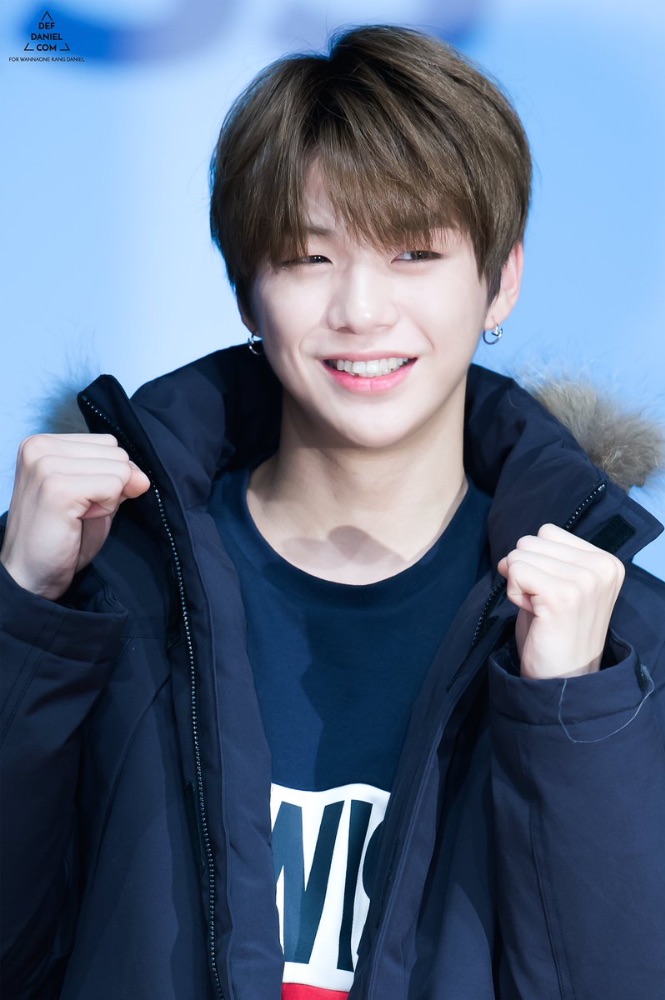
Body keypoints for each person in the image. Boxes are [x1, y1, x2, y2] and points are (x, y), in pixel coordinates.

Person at [1, 24, 664, 1000]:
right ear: (245, 289)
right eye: (308, 257)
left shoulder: (615, 642)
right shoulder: (109, 586)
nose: (359, 309)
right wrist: (23, 613)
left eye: (413, 252)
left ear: (500, 280)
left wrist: (568, 709)